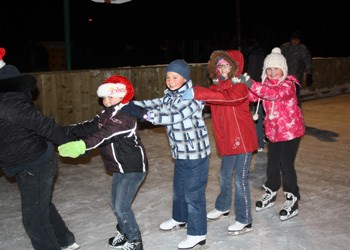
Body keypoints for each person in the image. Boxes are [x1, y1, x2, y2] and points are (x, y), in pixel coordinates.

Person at [0, 47, 79, 250]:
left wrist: (70, 142)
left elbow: (44, 124)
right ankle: (65, 240)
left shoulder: (8, 103)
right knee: (40, 206)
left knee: (34, 219)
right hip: (24, 160)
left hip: (35, 163)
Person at [58, 75, 148, 250]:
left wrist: (82, 145)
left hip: (133, 168)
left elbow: (103, 135)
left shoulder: (125, 117)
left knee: (121, 207)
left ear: (123, 96)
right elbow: (91, 126)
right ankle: (124, 232)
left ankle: (135, 241)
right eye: (104, 97)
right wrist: (66, 131)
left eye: (110, 97)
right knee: (115, 204)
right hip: (119, 167)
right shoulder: (107, 113)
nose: (105, 101)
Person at [132, 59, 211, 249]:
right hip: (181, 153)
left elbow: (172, 115)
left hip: (196, 154)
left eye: (175, 77)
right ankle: (179, 218)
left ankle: (198, 233)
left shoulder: (192, 97)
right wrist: (132, 104)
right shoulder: (170, 95)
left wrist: (144, 115)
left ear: (184, 78)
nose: (170, 80)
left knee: (193, 194)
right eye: (168, 77)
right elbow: (156, 103)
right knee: (179, 190)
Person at [182, 50, 258, 235]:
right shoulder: (216, 88)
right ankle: (223, 206)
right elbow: (210, 97)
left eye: (226, 65)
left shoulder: (240, 87)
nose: (222, 69)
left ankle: (244, 219)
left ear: (235, 67)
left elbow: (228, 99)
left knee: (240, 180)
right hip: (226, 140)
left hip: (243, 141)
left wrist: (198, 92)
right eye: (220, 65)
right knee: (224, 176)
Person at [249, 47, 305, 221]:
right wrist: (239, 85)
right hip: (273, 133)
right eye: (269, 69)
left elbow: (274, 95)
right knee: (272, 164)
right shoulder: (264, 85)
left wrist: (252, 84)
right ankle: (271, 191)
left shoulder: (289, 84)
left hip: (290, 132)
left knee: (286, 166)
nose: (272, 72)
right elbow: (252, 97)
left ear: (283, 69)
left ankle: (292, 198)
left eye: (276, 68)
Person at [281, 30, 313, 107]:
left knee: (295, 93)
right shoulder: (285, 47)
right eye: (293, 39)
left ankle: (296, 108)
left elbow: (307, 61)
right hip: (284, 76)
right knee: (284, 93)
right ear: (291, 39)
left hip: (296, 76)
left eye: (297, 39)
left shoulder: (303, 49)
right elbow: (279, 59)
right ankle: (285, 108)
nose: (295, 41)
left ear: (299, 40)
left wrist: (309, 74)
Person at [244, 39, 266, 151]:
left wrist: (249, 86)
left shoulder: (253, 56)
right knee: (263, 115)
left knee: (257, 116)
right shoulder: (262, 55)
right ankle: (264, 138)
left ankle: (260, 143)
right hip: (264, 88)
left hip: (257, 90)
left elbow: (252, 75)